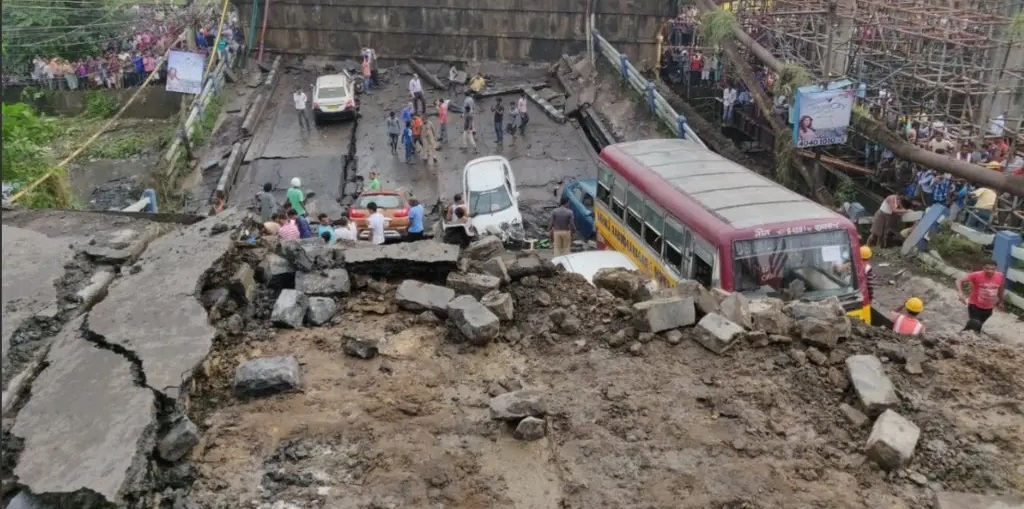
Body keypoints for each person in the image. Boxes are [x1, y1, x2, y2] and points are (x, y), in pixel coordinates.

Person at [955, 262, 1005, 329]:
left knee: (977, 327)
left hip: (988, 308)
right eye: (987, 268)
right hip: (975, 305)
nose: (990, 271)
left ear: (996, 269)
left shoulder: (1000, 276)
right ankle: (964, 335)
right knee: (975, 324)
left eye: (992, 269)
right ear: (983, 268)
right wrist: (960, 292)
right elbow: (959, 280)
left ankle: (964, 335)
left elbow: (1001, 289)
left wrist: (1001, 301)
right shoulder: (976, 275)